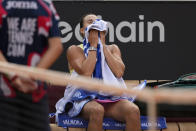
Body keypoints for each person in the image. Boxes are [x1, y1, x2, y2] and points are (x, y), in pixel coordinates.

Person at [56, 13, 141, 131]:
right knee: (97, 110)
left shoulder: (113, 48)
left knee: (133, 111)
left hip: (111, 99)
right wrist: (93, 46)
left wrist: (103, 47)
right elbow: (86, 73)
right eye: (90, 21)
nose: (95, 25)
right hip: (84, 100)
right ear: (82, 30)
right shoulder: (74, 50)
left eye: (97, 22)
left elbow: (119, 72)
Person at [0, 0, 63, 131]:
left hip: (6, 89)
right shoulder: (45, 5)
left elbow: (56, 47)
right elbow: (56, 46)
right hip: (34, 89)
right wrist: (31, 77)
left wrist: (14, 77)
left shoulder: (2, 4)